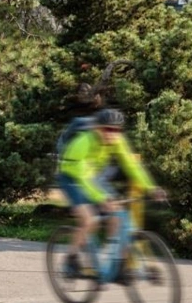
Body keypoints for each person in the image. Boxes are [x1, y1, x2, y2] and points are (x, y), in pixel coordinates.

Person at [56, 108, 165, 277]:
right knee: (89, 219)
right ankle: (71, 259)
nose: (112, 134)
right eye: (107, 129)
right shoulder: (83, 141)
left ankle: (114, 261)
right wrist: (102, 198)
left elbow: (131, 165)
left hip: (94, 176)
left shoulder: (117, 141)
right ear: (97, 128)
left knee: (118, 214)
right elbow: (82, 176)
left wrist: (150, 188)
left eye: (116, 130)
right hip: (72, 176)